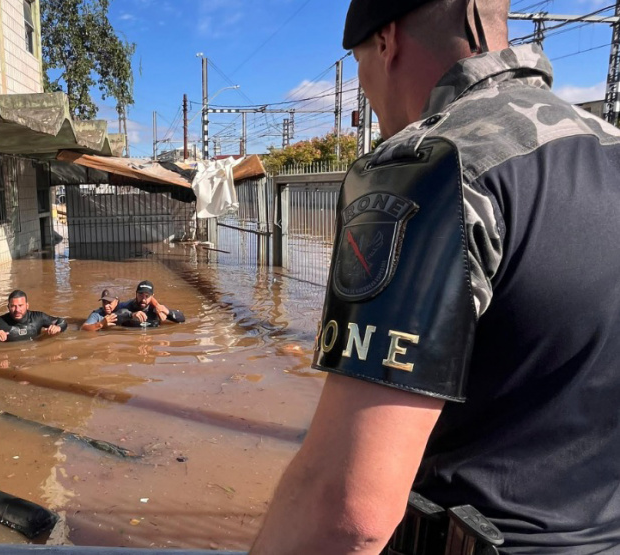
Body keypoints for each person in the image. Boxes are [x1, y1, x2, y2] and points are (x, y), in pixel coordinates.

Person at [251, 0, 620, 553]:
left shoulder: (431, 167)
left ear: (385, 42)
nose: (367, 98)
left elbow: (346, 508)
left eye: (357, 67)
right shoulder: (607, 148)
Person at [0, 290, 67, 342]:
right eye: (13, 306)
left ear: (27, 305)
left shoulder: (38, 317)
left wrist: (58, 327)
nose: (17, 310)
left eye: (20, 306)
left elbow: (62, 321)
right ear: (8, 307)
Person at [116, 280, 185, 327]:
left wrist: (167, 312)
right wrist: (131, 315)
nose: (143, 299)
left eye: (147, 296)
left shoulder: (156, 309)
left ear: (152, 296)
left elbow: (182, 319)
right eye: (140, 295)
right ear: (136, 294)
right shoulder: (127, 306)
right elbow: (112, 316)